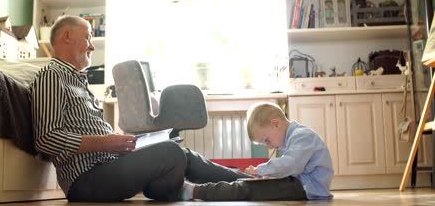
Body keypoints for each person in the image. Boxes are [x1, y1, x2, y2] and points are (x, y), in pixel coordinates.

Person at [29, 15, 251, 202]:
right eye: (87, 37)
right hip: (86, 180)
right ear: (67, 36)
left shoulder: (78, 82)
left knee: (180, 152)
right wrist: (106, 142)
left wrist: (118, 143)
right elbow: (46, 139)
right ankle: (199, 188)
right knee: (171, 152)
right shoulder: (52, 76)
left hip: (108, 167)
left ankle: (247, 180)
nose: (92, 45)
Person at [181, 101, 334, 201]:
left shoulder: (302, 136)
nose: (268, 146)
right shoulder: (296, 136)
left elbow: (290, 165)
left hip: (305, 188)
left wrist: (260, 169)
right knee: (243, 178)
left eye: (266, 140)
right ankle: (192, 165)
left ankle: (195, 191)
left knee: (249, 189)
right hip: (298, 182)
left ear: (276, 124)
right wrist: (259, 172)